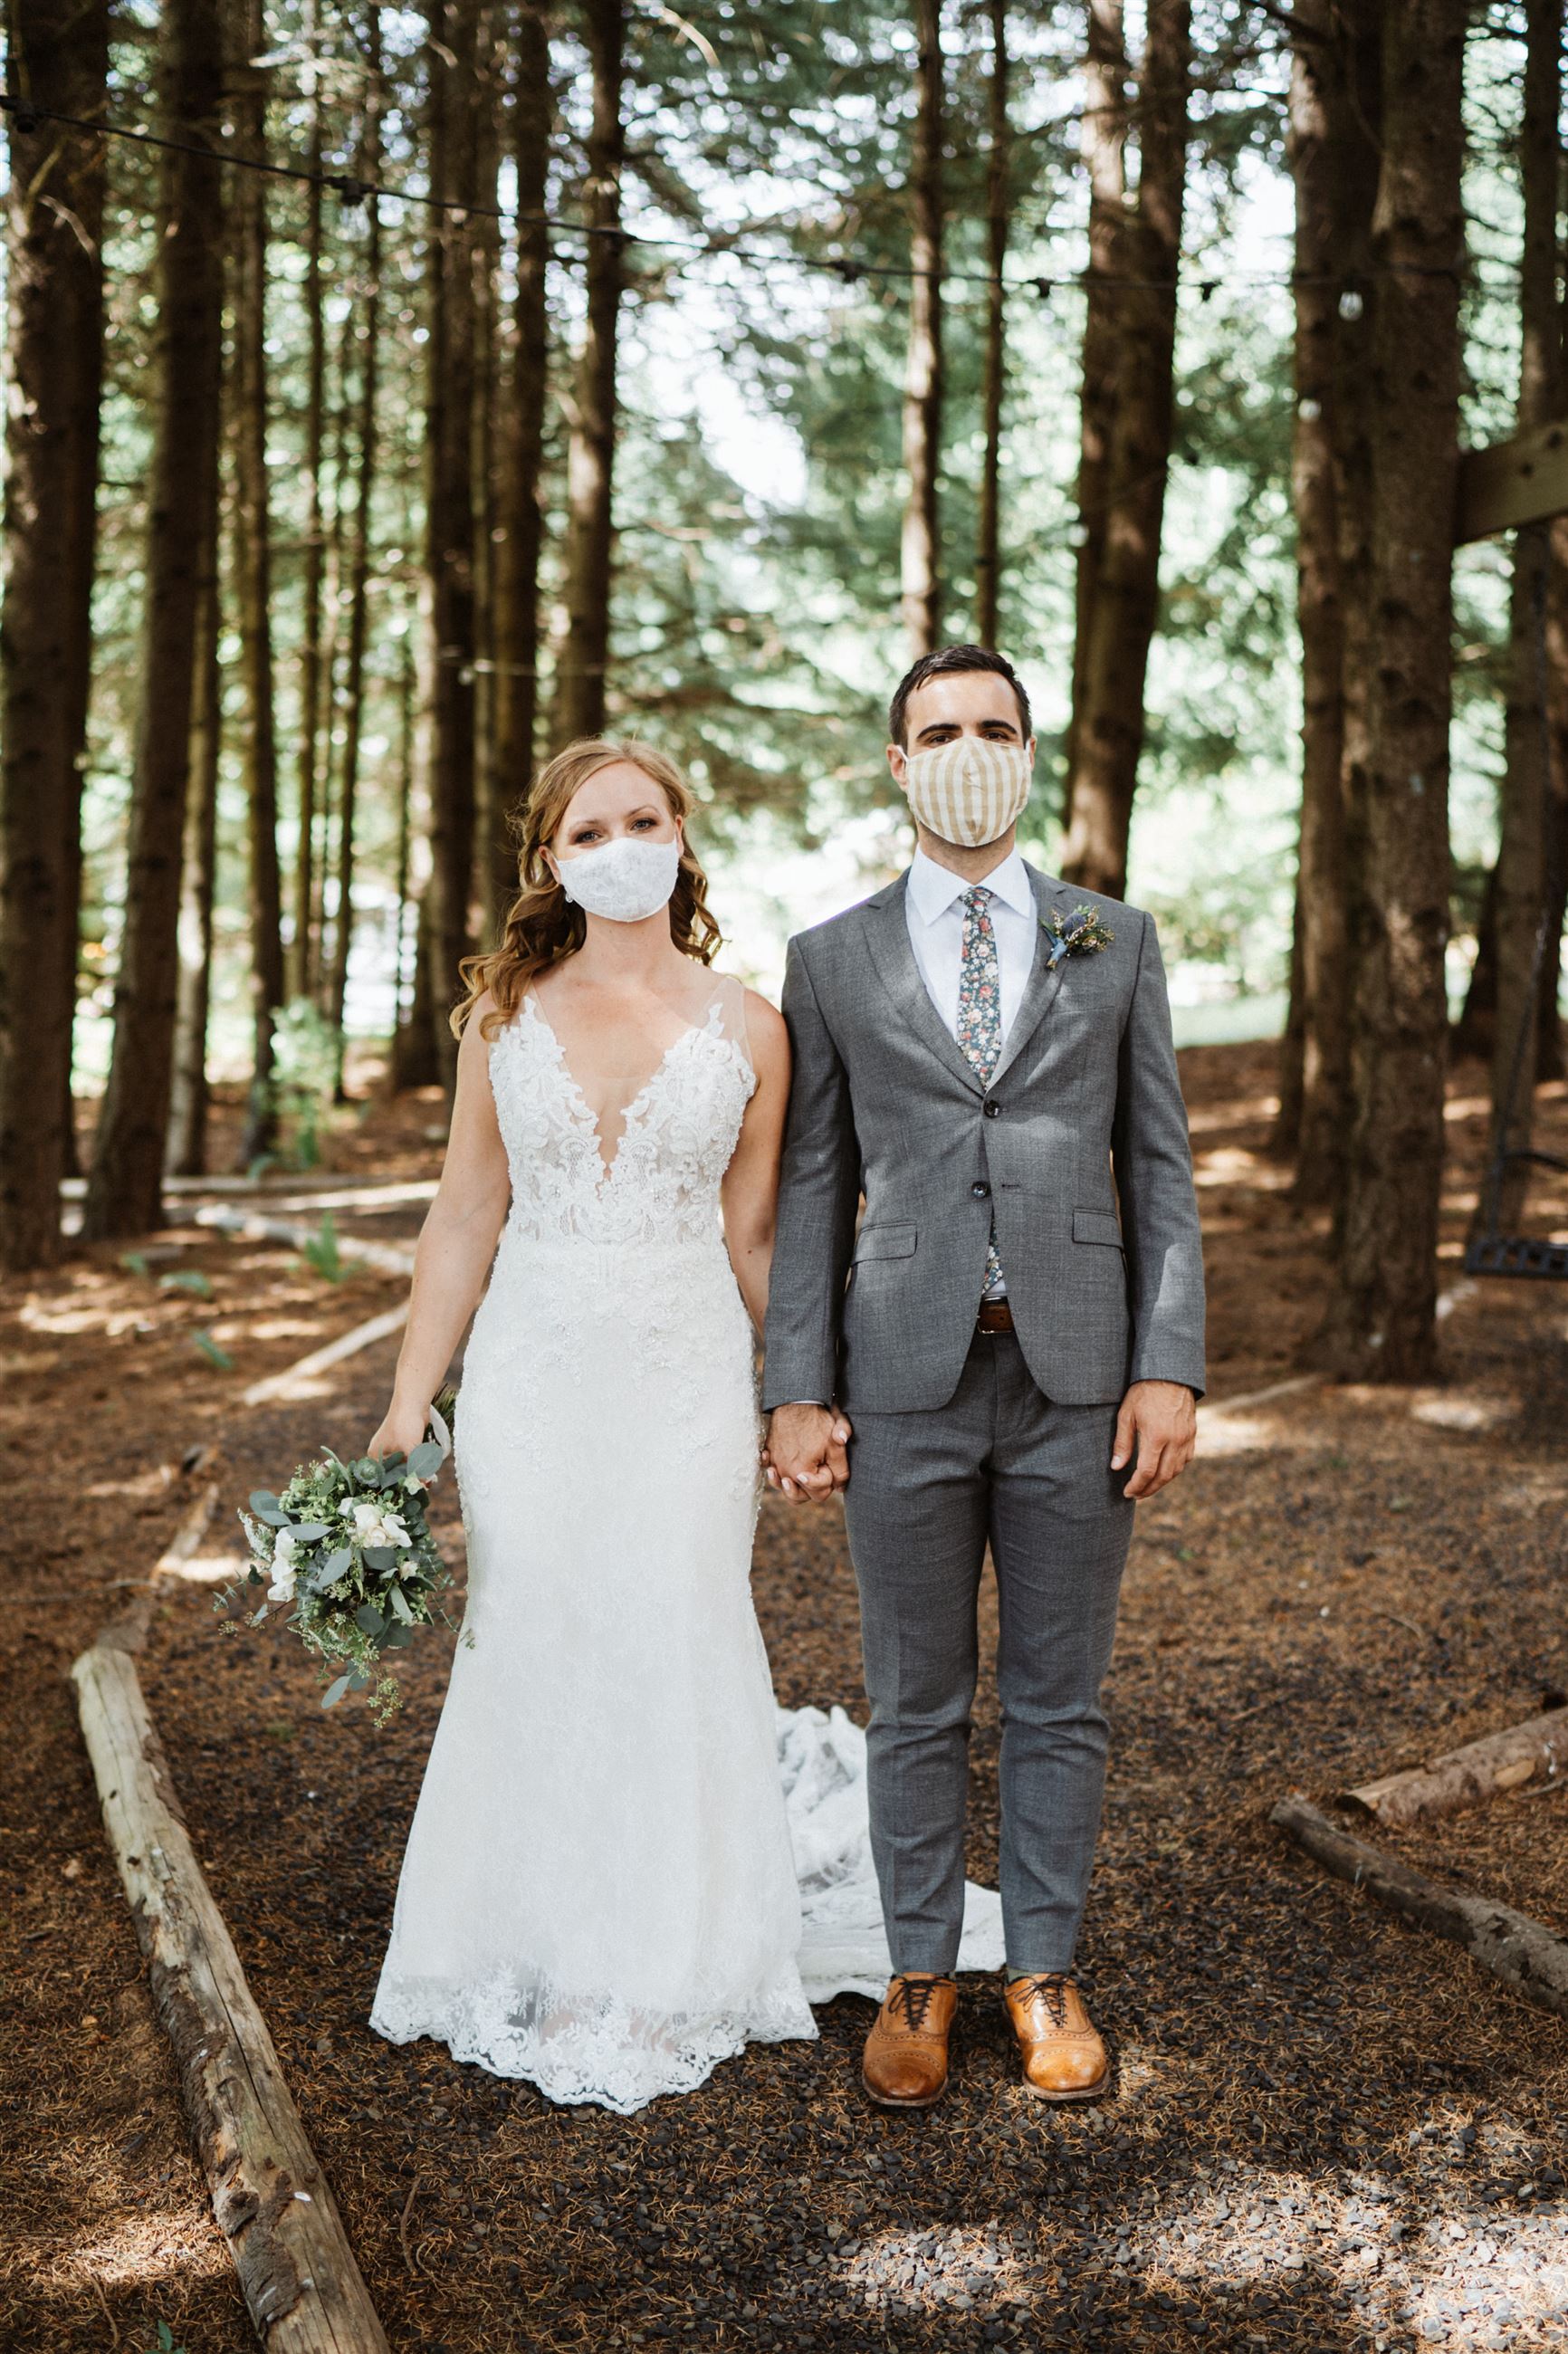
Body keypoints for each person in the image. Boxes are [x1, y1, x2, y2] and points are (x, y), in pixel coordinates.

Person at [365, 734, 1003, 2115]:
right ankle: (523, 1930)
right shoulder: (502, 1019)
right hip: (532, 1379)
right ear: (549, 862)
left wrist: (800, 1394)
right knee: (533, 1624)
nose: (617, 847)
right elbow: (465, 1216)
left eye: (640, 819)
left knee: (670, 1621)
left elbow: (759, 1233)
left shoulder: (749, 1025)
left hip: (682, 1382)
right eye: (587, 831)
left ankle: (662, 1949)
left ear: (680, 835)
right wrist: (413, 1400)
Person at [763, 645, 1206, 2110]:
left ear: (1027, 753)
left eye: (994, 729)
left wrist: (1168, 1367)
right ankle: (916, 1970)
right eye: (939, 731)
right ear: (898, 763)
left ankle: (1042, 1970)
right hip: (900, 1370)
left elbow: (1157, 1166)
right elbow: (816, 1180)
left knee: (1059, 1693)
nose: (968, 749)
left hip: (1077, 1373)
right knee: (913, 1695)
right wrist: (796, 1385)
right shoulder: (831, 957)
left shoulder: (1112, 938)